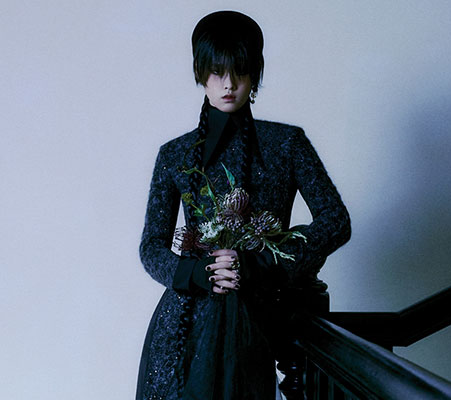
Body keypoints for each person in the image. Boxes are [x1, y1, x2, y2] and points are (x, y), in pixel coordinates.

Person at [136, 10, 351, 400]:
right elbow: (151, 247)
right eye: (217, 72)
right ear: (200, 73)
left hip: (263, 314)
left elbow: (335, 221)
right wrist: (198, 272)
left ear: (255, 74)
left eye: (239, 71)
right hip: (183, 324)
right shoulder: (175, 154)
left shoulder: (286, 143)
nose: (229, 84)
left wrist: (262, 262)